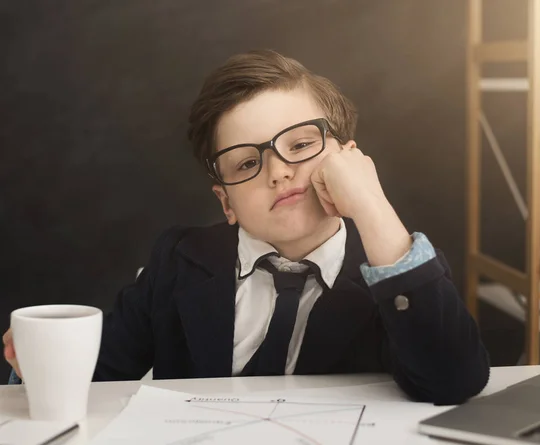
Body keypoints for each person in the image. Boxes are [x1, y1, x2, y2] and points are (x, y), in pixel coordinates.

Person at [3, 50, 490, 405]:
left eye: (300, 145)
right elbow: (95, 377)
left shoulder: (392, 264)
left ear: (348, 157)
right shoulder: (177, 261)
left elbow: (454, 380)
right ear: (226, 201)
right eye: (245, 164)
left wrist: (372, 205)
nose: (278, 171)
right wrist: (39, 367)